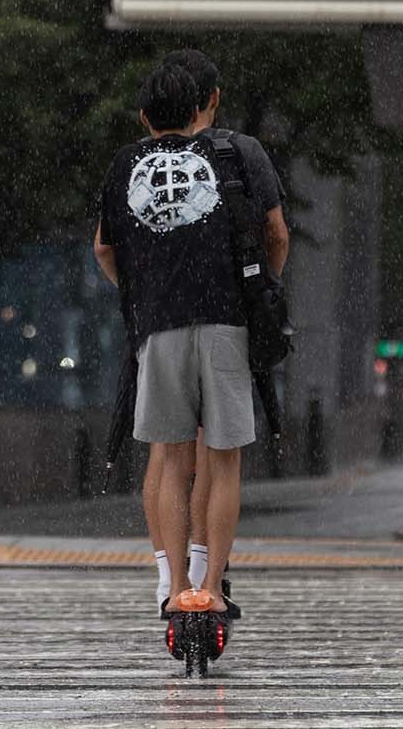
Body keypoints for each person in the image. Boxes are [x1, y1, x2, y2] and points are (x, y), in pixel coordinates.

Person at [94, 60, 287, 620]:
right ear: (208, 103)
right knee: (222, 460)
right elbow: (274, 233)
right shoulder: (235, 153)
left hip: (158, 326)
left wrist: (139, 292)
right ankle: (214, 589)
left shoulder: (125, 163)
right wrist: (264, 290)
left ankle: (175, 586)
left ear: (144, 115)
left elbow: (104, 249)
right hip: (227, 320)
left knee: (168, 458)